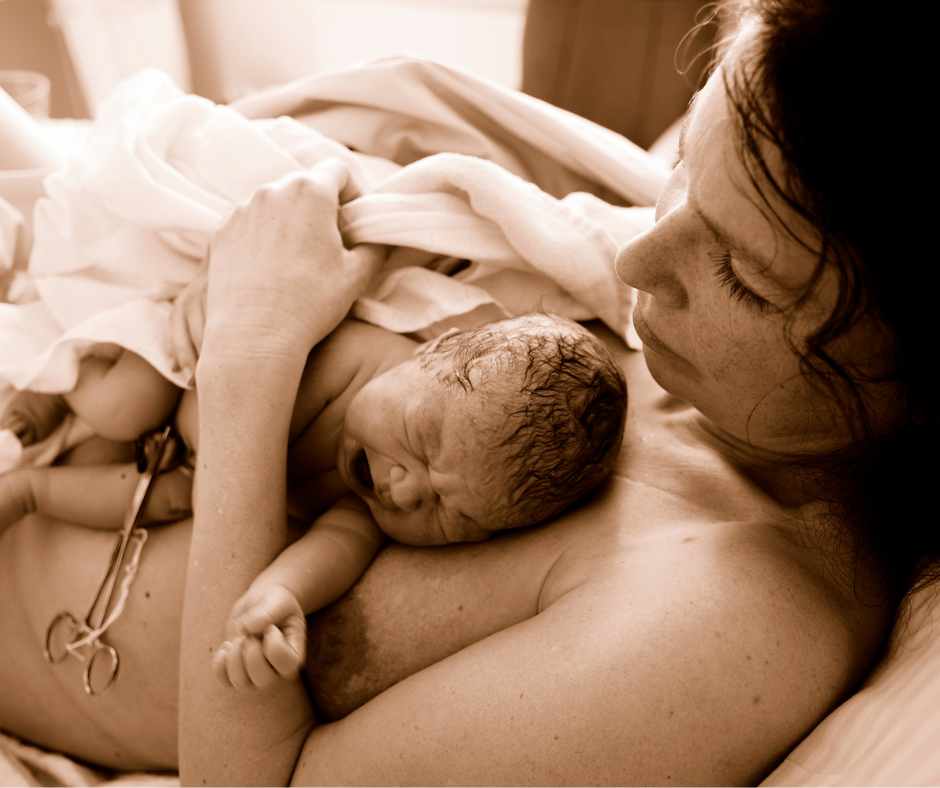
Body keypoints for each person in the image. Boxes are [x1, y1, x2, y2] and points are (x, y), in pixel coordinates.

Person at [0, 1, 932, 783]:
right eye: (687, 171)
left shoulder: (732, 624)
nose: (641, 257)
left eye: (745, 275)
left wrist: (251, 352)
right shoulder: (669, 336)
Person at [0, 311, 627, 686]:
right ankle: (47, 384)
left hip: (188, 461)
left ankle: (27, 492)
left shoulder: (371, 509)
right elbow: (249, 313)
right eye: (419, 441)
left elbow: (337, 545)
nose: (403, 489)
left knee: (167, 502)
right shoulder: (357, 352)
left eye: (450, 513)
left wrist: (281, 596)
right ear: (434, 349)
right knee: (122, 403)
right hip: (175, 372)